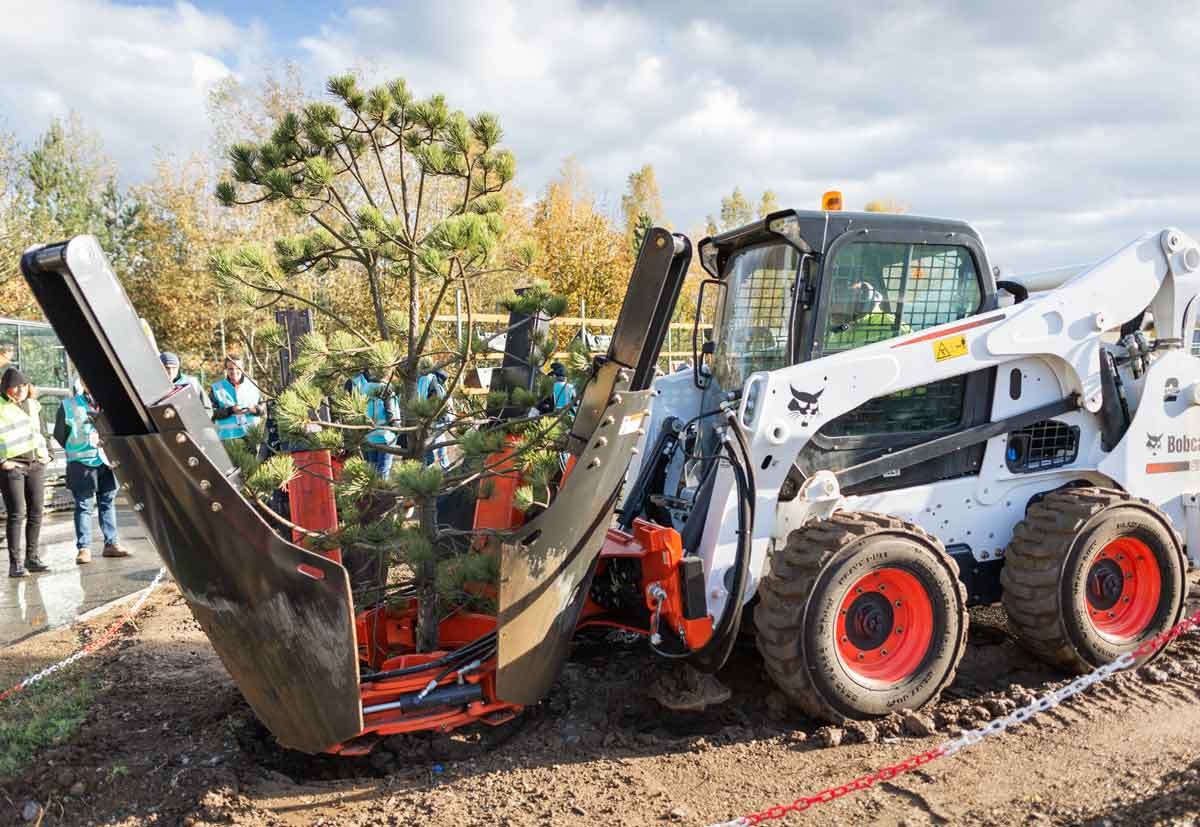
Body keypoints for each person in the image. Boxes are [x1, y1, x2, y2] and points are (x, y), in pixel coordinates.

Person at [55, 380, 129, 564]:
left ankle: (111, 544)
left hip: (107, 461)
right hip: (81, 462)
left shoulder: (111, 403)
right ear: (84, 384)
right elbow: (60, 434)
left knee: (108, 502)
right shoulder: (68, 405)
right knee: (84, 505)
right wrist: (78, 447)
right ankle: (84, 548)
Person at [0, 368, 51, 577]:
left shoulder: (33, 405)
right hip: (13, 467)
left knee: (36, 512)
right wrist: (2, 461)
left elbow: (42, 433)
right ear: (6, 387)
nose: (21, 389)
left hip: (35, 465)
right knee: (17, 514)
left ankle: (32, 558)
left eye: (24, 385)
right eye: (16, 386)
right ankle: (15, 564)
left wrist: (48, 455)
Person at [348, 368, 400, 479]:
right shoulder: (386, 388)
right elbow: (391, 414)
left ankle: (373, 493)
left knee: (372, 469)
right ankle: (382, 494)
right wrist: (397, 430)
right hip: (386, 436)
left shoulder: (364, 388)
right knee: (383, 470)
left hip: (369, 436)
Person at [210, 355, 266, 441]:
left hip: (252, 436)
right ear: (226, 370)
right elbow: (210, 413)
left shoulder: (253, 384)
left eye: (238, 368)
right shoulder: (216, 388)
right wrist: (230, 410)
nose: (234, 371)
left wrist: (254, 409)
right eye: (230, 369)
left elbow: (263, 409)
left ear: (243, 368)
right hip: (228, 437)